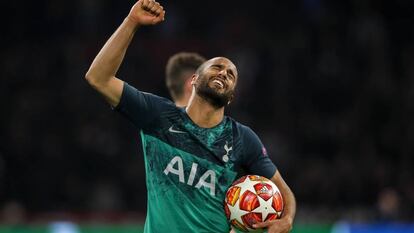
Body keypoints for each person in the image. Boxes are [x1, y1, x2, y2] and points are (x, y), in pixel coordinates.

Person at [85, 0, 296, 232]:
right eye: (217, 67)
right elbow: (98, 77)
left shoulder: (242, 139)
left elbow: (283, 192)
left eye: (231, 75)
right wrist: (131, 22)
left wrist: (286, 219)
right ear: (194, 79)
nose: (224, 73)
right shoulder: (158, 115)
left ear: (231, 98)